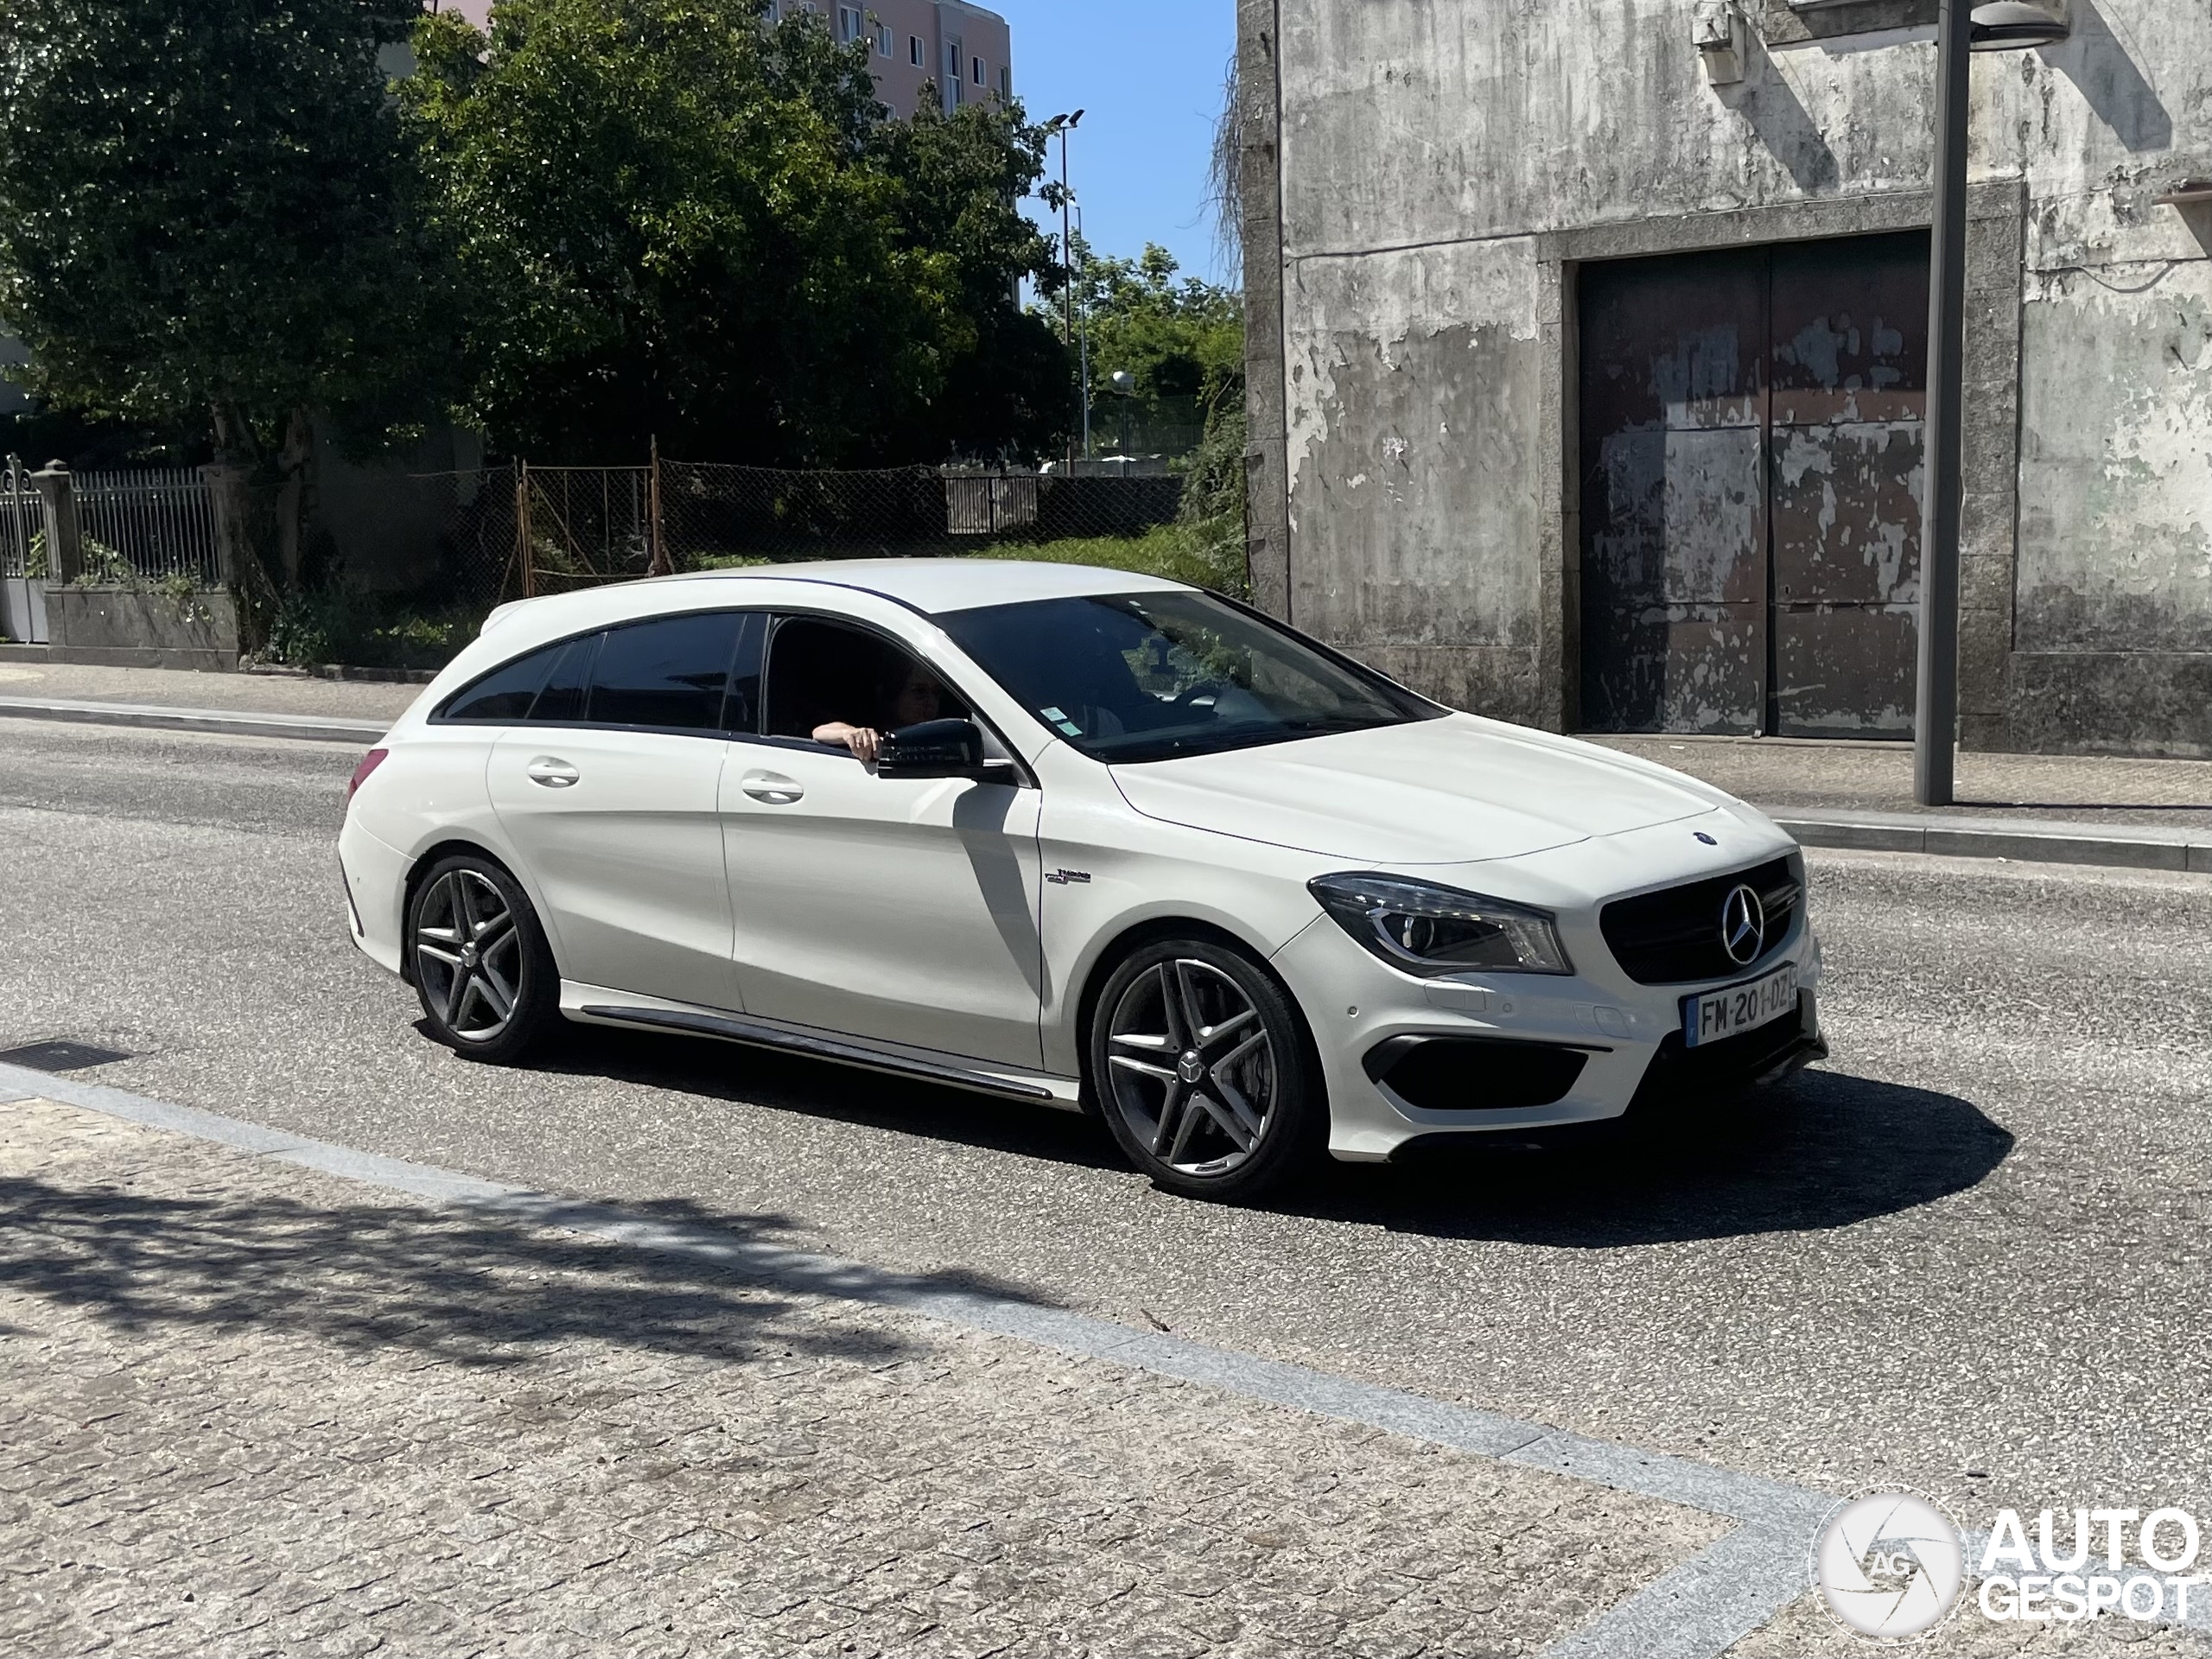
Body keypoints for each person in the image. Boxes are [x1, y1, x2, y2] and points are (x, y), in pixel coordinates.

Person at [813, 658, 950, 764]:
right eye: (919, 692)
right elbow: (819, 732)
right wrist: (850, 733)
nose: (930, 702)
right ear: (892, 691)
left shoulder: (944, 738)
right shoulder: (872, 735)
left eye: (936, 693)